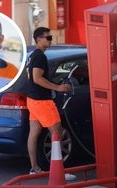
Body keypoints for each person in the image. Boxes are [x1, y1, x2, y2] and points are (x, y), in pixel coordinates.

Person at [26, 27, 76, 181]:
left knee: (34, 134)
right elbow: (37, 78)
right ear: (39, 39)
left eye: (50, 37)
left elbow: (32, 77)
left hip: (33, 100)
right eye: (48, 38)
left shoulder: (32, 55)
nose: (50, 41)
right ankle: (58, 171)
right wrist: (58, 87)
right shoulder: (40, 57)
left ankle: (34, 168)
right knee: (57, 133)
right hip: (42, 101)